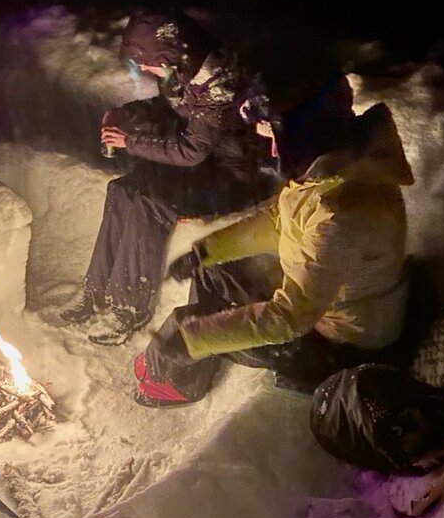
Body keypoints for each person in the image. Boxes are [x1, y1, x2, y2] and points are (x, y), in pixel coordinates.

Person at [133, 74, 416, 406]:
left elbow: (289, 318)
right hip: (327, 303)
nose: (269, 147)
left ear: (303, 139)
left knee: (185, 325)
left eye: (274, 138)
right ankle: (196, 353)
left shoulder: (344, 214)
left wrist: (194, 339)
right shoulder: (334, 167)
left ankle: (175, 380)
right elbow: (280, 219)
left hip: (338, 343)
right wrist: (206, 251)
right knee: (213, 272)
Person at [60, 10, 273, 346]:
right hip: (204, 166)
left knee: (151, 204)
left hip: (232, 178)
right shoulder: (181, 70)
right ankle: (96, 289)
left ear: (169, 53)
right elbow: (168, 107)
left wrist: (129, 142)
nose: (143, 70)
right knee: (122, 189)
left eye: (146, 63)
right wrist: (128, 112)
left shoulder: (220, 84)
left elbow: (191, 151)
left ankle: (127, 307)